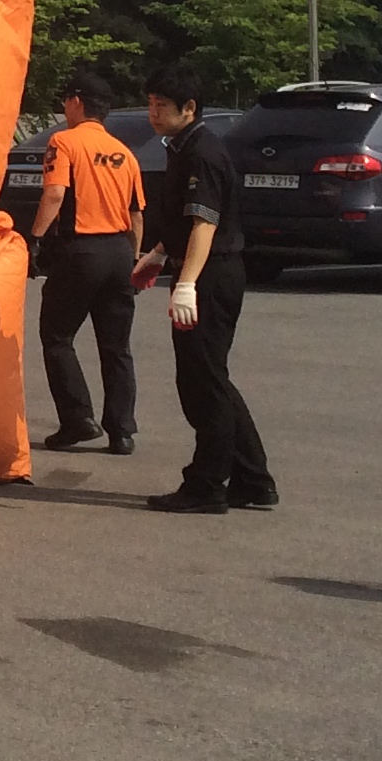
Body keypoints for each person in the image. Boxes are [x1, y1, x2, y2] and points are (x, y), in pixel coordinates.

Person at [135, 61, 273, 513]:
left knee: (202, 383)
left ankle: (207, 484)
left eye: (162, 105)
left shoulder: (203, 153)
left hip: (211, 274)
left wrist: (187, 285)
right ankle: (253, 479)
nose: (153, 113)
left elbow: (204, 224)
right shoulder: (181, 147)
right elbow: (182, 221)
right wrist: (159, 254)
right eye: (150, 104)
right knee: (208, 376)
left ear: (189, 108)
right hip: (200, 268)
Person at [30, 68, 145, 455]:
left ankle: (78, 418)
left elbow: (55, 194)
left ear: (77, 102)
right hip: (120, 252)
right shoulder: (124, 153)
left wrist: (35, 239)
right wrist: (135, 258)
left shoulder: (63, 142)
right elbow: (136, 214)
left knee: (57, 336)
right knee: (116, 346)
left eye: (66, 100)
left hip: (81, 250)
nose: (65, 107)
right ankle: (122, 430)